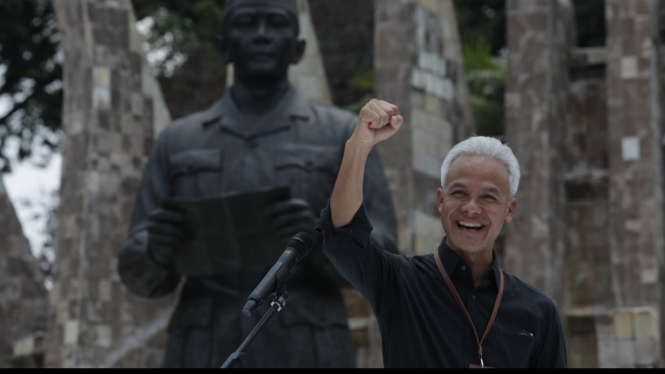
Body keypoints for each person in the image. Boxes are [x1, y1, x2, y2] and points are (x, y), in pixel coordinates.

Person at [118, 0, 397, 368]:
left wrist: (321, 241)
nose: (262, 35)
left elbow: (386, 262)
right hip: (202, 346)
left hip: (309, 346)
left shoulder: (342, 136)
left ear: (298, 49)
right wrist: (157, 248)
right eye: (247, 22)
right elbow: (135, 271)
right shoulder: (177, 141)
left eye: (276, 23)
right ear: (223, 46)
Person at [315, 99, 568, 368]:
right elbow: (342, 238)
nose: (471, 208)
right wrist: (359, 145)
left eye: (488, 197)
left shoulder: (538, 311)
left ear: (509, 209)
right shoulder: (400, 283)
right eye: (459, 193)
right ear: (440, 200)